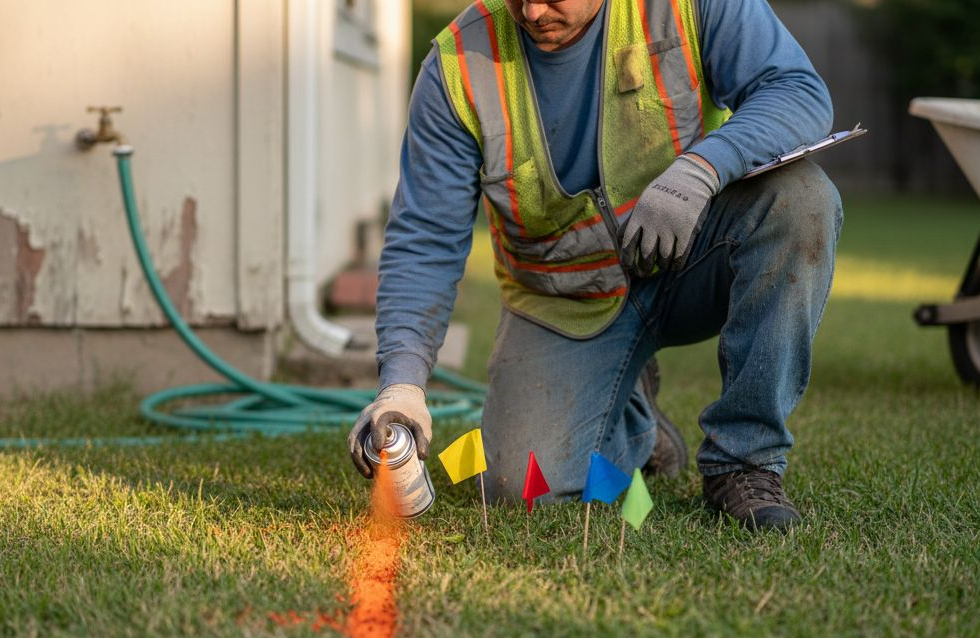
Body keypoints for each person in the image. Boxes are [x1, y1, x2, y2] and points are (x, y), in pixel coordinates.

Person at [348, 0, 841, 530]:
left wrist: (703, 168)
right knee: (522, 487)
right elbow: (426, 236)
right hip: (565, 303)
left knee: (801, 200)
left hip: (691, 260)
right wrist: (401, 383)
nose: (533, 12)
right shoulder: (458, 68)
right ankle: (635, 412)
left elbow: (797, 92)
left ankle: (744, 461)